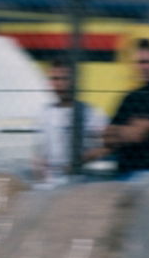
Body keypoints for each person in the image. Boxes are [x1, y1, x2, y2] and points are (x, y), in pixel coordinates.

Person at [33, 58, 108, 186]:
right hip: (50, 186)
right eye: (55, 79)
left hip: (78, 185)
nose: (60, 84)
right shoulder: (44, 114)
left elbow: (108, 146)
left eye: (64, 79)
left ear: (73, 81)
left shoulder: (89, 112)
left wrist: (79, 161)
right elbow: (39, 155)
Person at [103, 38, 149, 177]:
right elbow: (107, 138)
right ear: (134, 65)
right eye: (141, 62)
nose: (145, 67)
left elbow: (137, 135)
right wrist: (129, 130)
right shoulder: (128, 98)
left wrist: (121, 131)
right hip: (125, 171)